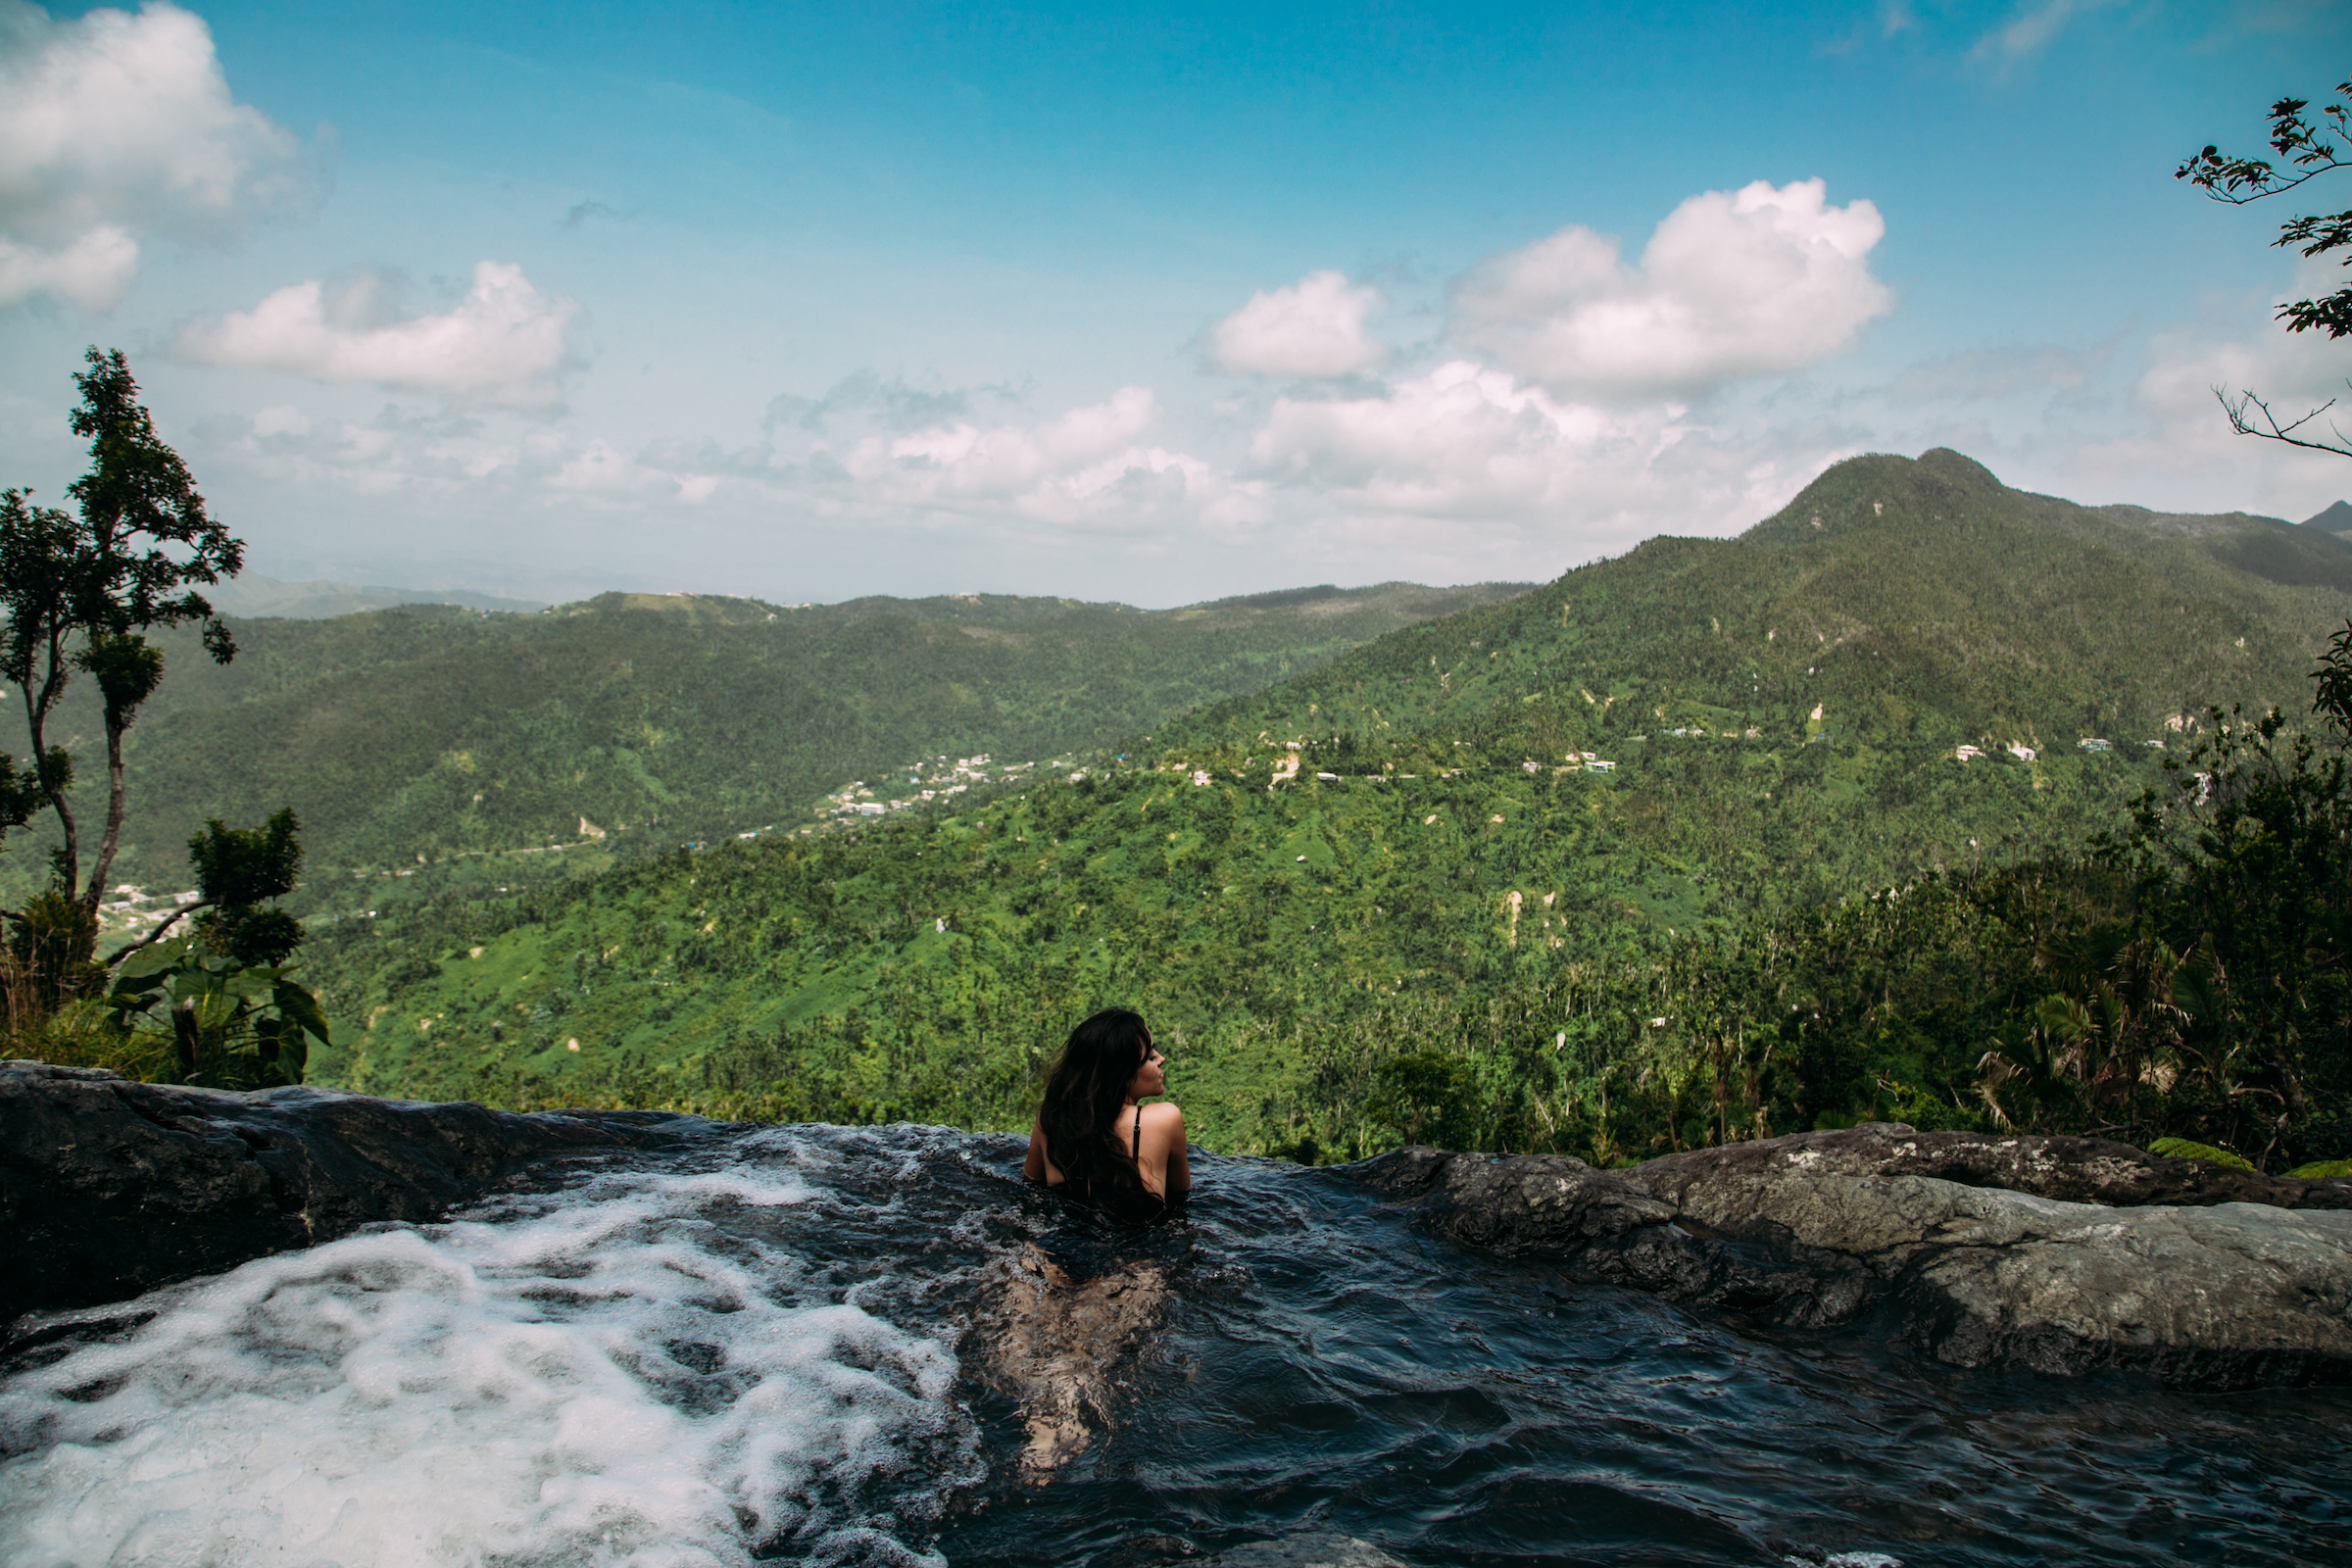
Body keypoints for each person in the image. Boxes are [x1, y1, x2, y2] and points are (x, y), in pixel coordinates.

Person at [1022, 1006, 1190, 1221]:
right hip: (1136, 1248)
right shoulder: (1164, 1119)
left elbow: (1029, 1188)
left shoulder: (1051, 1120)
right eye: (1150, 1057)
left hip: (1060, 1243)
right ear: (1122, 1074)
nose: (1161, 1059)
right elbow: (1180, 1199)